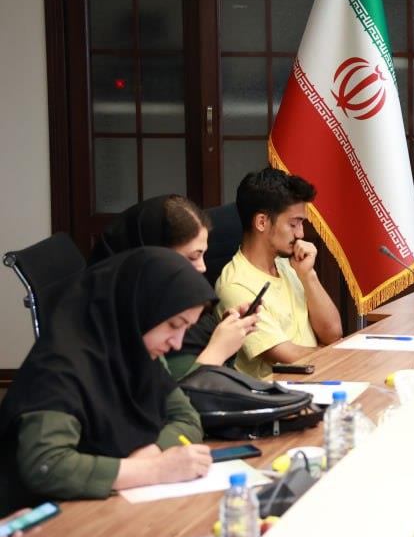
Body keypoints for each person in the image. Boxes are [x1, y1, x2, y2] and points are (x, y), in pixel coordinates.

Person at [0, 248, 214, 513]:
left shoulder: (138, 352)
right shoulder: (59, 368)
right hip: (41, 518)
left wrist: (153, 454)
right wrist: (153, 470)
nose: (177, 343)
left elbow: (187, 419)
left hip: (112, 505)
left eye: (186, 329)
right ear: (139, 307)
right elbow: (47, 465)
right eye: (173, 325)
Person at [91, 194, 258, 379]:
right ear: (155, 253)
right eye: (193, 256)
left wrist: (223, 329)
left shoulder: (175, 308)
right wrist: (217, 351)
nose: (202, 267)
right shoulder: (116, 321)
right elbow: (166, 392)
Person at [217, 167, 341, 380]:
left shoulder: (289, 265)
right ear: (262, 222)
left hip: (318, 377)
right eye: (293, 224)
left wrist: (308, 275)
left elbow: (333, 334)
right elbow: (289, 357)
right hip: (279, 392)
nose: (300, 233)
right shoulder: (235, 285)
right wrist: (339, 354)